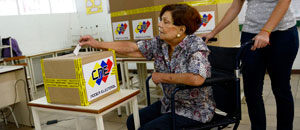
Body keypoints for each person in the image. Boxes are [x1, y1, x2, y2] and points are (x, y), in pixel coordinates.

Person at [79, 4, 215, 130]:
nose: (159, 24)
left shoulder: (195, 46)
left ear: (181, 29)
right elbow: (133, 48)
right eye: (161, 20)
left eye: (165, 22)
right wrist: (96, 44)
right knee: (132, 121)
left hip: (194, 110)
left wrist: (161, 77)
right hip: (169, 103)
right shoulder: (160, 43)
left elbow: (197, 78)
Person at [204, 0, 299, 129]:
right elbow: (235, 7)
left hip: (282, 34)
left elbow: (284, 2)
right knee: (251, 91)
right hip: (250, 34)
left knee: (281, 88)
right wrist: (213, 32)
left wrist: (266, 31)